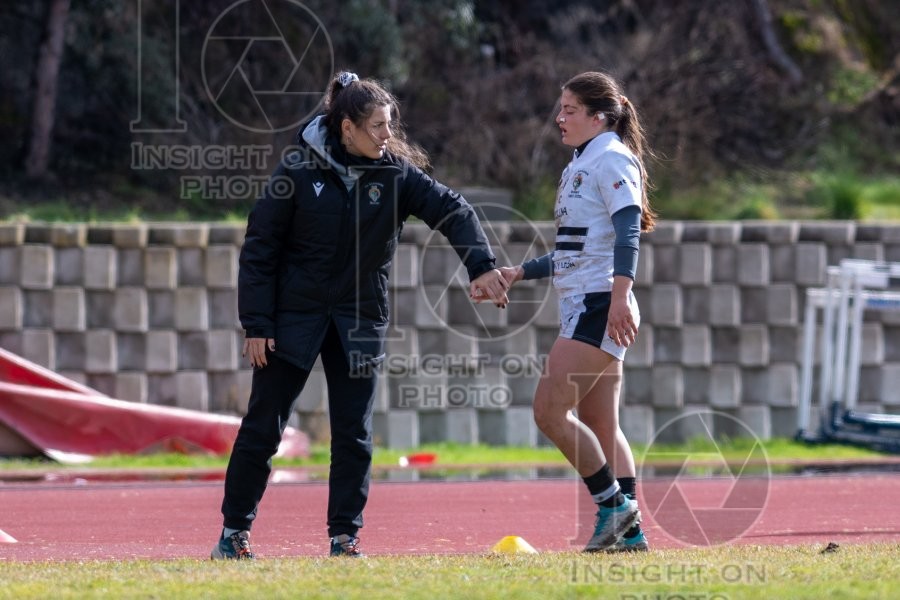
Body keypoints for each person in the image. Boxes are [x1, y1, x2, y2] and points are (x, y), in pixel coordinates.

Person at [211, 71, 510, 560]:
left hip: (359, 318)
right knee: (264, 426)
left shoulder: (395, 174)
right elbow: (260, 248)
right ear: (346, 127)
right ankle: (232, 534)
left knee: (354, 434)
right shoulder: (296, 170)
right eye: (377, 126)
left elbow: (453, 210)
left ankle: (344, 538)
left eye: (390, 125)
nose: (387, 136)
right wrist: (258, 325)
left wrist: (481, 266)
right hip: (292, 318)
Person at [495, 71, 657, 552]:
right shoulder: (579, 164)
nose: (559, 117)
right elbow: (575, 249)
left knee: (548, 410)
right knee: (602, 426)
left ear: (598, 117)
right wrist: (519, 273)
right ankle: (629, 536)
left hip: (599, 304)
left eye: (569, 109)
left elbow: (629, 234)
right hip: (587, 303)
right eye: (560, 107)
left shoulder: (611, 157)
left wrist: (620, 296)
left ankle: (614, 509)